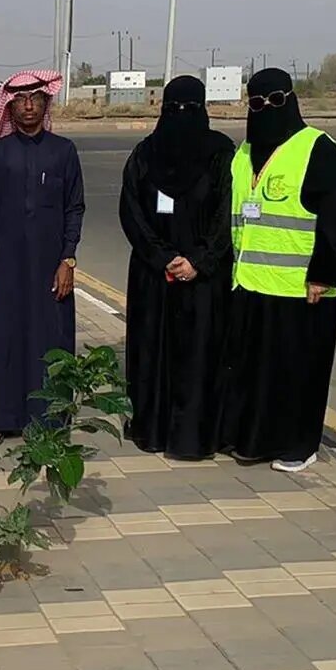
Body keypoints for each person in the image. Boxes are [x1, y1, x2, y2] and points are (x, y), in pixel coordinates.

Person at [219, 68, 336, 473]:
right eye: (257, 103)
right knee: (253, 372)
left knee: (297, 374)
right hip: (250, 284)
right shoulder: (244, 153)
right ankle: (253, 440)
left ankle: (299, 445)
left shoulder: (316, 147)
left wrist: (324, 274)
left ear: (292, 100)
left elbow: (335, 217)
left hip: (300, 289)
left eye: (276, 100)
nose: (266, 108)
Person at [118, 75, 234, 459]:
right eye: (174, 109)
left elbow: (226, 214)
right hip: (154, 277)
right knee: (152, 353)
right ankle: (151, 429)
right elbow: (131, 212)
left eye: (189, 109)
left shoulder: (221, 154)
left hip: (203, 280)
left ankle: (193, 437)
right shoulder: (144, 154)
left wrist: (199, 260)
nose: (181, 116)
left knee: (200, 356)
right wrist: (164, 258)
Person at [0, 70, 83, 445]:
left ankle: (51, 423)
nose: (28, 106)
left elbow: (74, 209)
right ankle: (1, 420)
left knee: (51, 339)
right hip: (9, 265)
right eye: (20, 100)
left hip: (51, 266)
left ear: (46, 103)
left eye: (35, 98)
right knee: (6, 338)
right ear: (10, 107)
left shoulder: (64, 151)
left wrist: (68, 260)